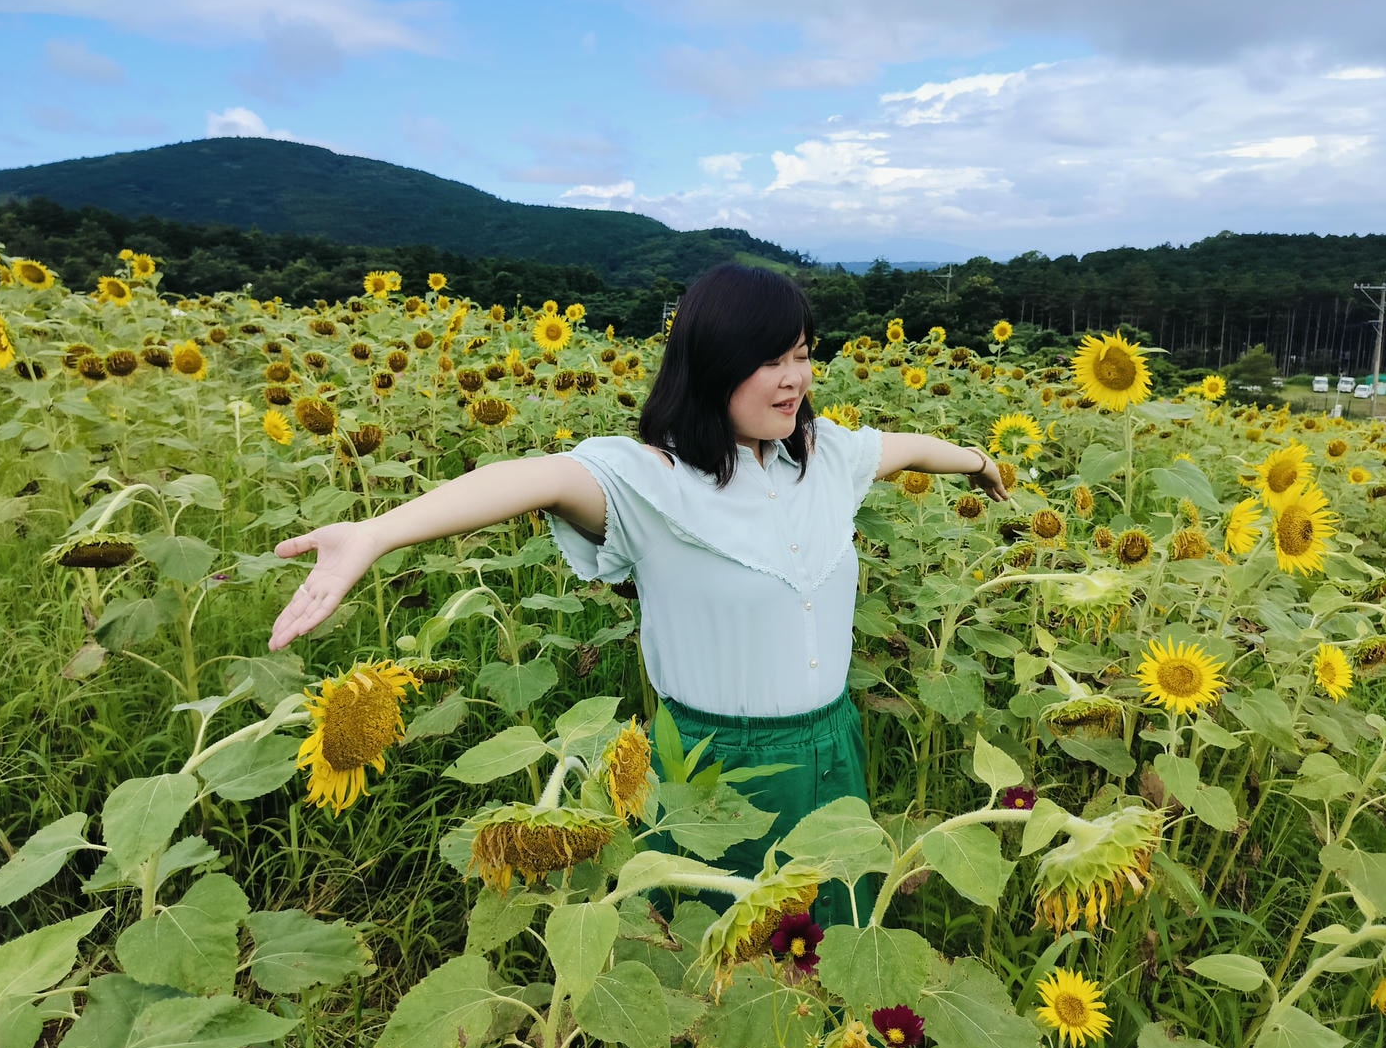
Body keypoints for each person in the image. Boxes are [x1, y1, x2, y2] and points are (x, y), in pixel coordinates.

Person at [269, 263, 1009, 925]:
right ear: (714, 365)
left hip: (833, 749)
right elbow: (537, 478)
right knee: (716, 959)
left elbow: (906, 446)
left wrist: (977, 461)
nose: (794, 379)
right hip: (713, 770)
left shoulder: (823, 458)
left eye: (802, 356)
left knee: (836, 945)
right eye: (768, 360)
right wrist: (377, 532)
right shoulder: (651, 480)